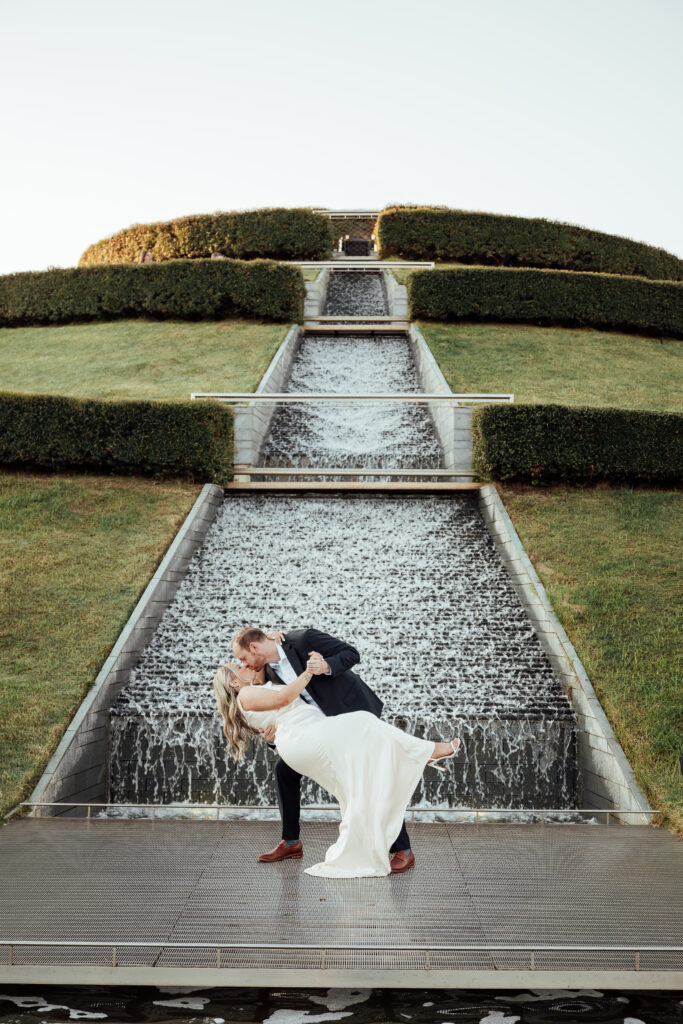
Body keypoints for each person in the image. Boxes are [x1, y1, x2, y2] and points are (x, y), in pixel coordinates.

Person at [213, 628, 459, 879]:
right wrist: (272, 738)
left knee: (371, 773)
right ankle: (291, 842)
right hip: (312, 730)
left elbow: (351, 654)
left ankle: (403, 849)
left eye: (243, 658)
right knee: (285, 772)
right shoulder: (264, 670)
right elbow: (271, 708)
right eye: (240, 663)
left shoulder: (302, 640)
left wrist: (324, 666)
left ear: (254, 648)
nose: (244, 664)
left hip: (346, 710)